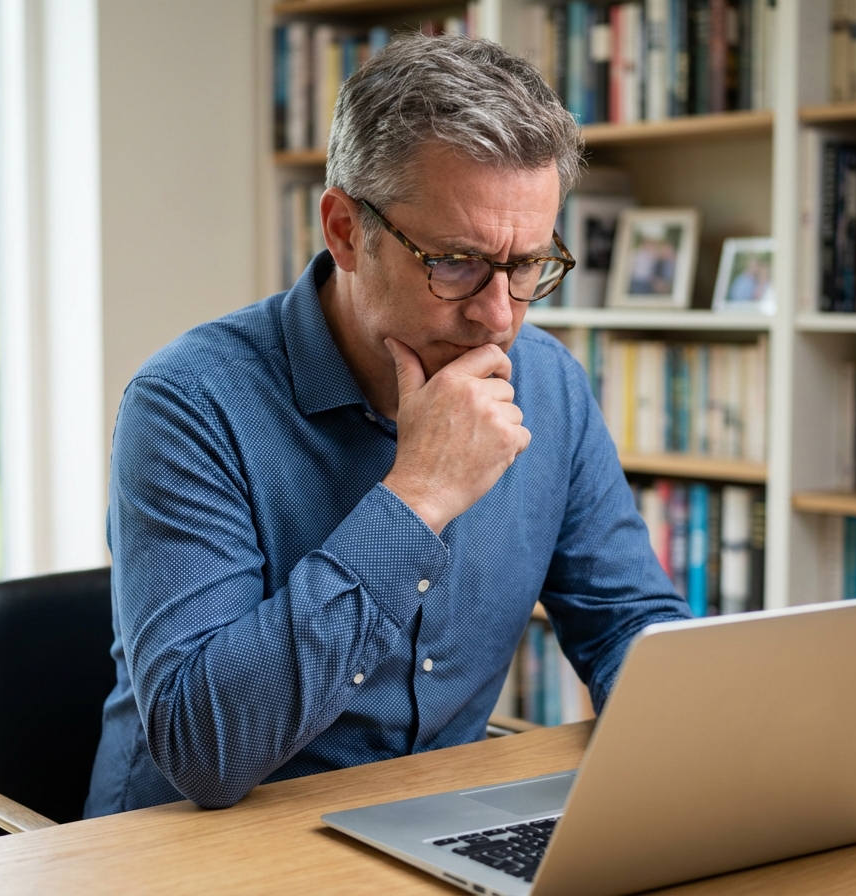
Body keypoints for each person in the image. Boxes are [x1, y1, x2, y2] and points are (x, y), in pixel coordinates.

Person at [84, 33, 689, 818]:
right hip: (192, 850)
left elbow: (628, 621)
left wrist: (696, 734)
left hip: (437, 827)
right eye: (457, 262)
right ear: (344, 230)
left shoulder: (550, 384)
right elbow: (205, 752)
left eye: (529, 266)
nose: (499, 316)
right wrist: (418, 498)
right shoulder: (187, 405)